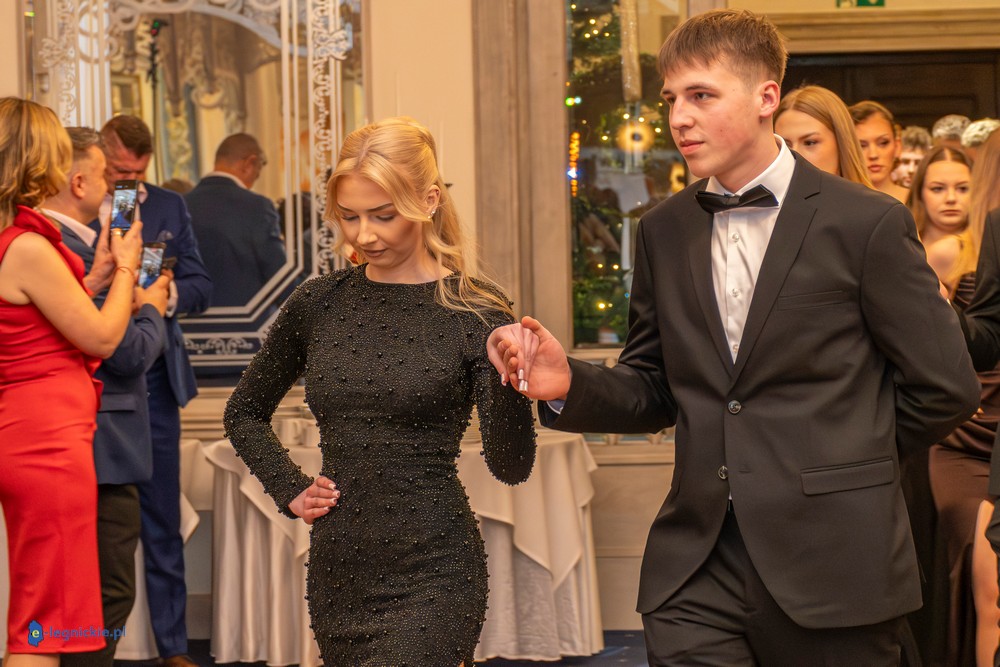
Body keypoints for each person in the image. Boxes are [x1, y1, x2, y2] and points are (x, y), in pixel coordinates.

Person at [489, 10, 981, 665]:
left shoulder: (866, 223)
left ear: (765, 97)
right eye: (671, 99)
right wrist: (568, 382)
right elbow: (654, 385)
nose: (679, 118)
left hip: (834, 559)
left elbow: (947, 386)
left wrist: (842, 453)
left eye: (701, 95)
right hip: (697, 568)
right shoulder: (663, 230)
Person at [223, 116, 537, 666]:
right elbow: (244, 411)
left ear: (429, 200)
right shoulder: (318, 303)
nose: (364, 235)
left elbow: (511, 466)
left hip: (437, 570)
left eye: (383, 215)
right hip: (340, 568)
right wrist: (288, 487)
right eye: (349, 216)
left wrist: (513, 382)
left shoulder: (476, 308)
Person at [0, 98, 143, 666]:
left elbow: (35, 324)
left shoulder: (18, 241)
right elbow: (103, 339)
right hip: (47, 444)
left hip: (35, 432)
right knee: (43, 627)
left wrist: (97, 277)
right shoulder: (28, 246)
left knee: (46, 618)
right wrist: (127, 267)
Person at [42, 126, 170, 667]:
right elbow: (124, 354)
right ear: (78, 182)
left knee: (77, 595)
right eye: (105, 177)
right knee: (105, 594)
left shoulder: (62, 246)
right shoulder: (64, 249)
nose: (116, 189)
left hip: (82, 437)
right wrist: (151, 307)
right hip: (100, 443)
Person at [98, 114, 212, 667]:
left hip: (158, 382)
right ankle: (94, 647)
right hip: (97, 380)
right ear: (100, 157)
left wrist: (165, 296)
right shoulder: (78, 209)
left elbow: (200, 284)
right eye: (118, 172)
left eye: (137, 175)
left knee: (163, 519)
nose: (128, 183)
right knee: (97, 527)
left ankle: (173, 648)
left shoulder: (168, 206)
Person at [907, 144, 1000, 666]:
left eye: (960, 187)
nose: (950, 198)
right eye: (938, 188)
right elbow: (976, 339)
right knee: (983, 570)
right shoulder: (945, 251)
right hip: (968, 426)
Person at [186, 133, 286, 307]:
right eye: (259, 170)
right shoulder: (257, 207)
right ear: (249, 164)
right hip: (246, 320)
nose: (256, 179)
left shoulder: (181, 204)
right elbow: (278, 277)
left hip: (191, 319)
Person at [773, 84, 872, 186]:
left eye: (810, 143)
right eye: (785, 145)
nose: (795, 155)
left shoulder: (871, 197)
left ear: (841, 144)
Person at [850, 100, 911, 202]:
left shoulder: (919, 202)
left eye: (883, 143)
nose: (873, 155)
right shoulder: (834, 202)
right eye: (861, 146)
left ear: (897, 146)